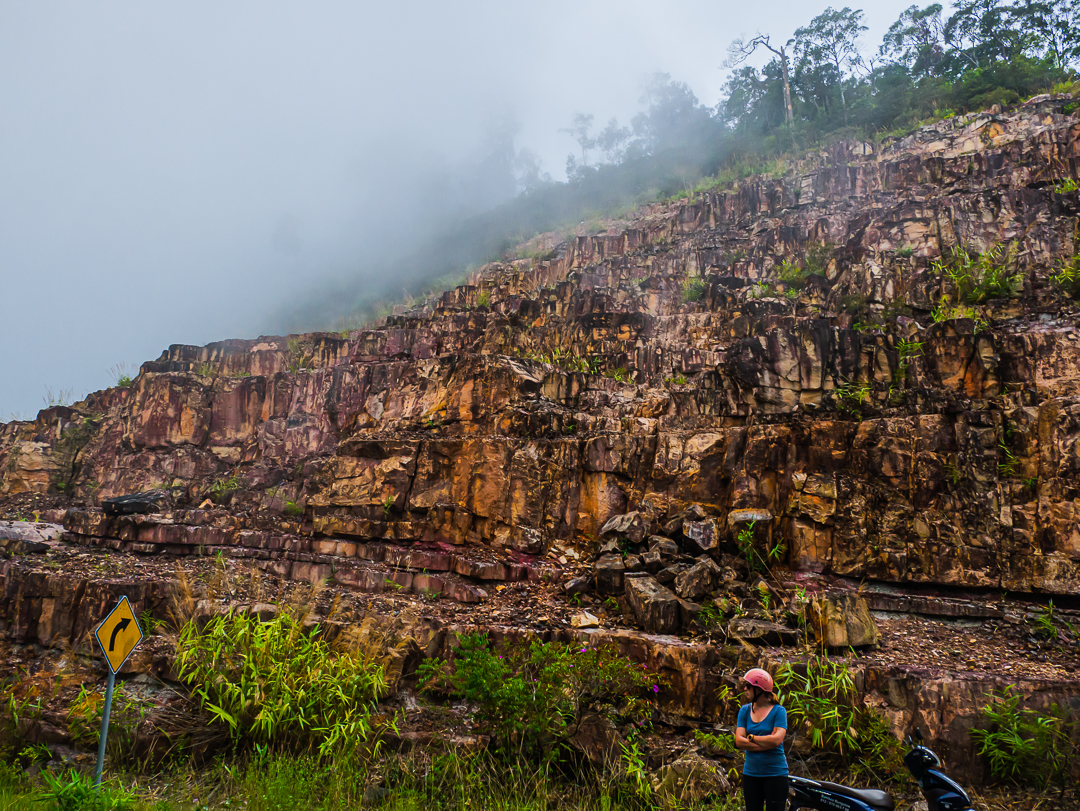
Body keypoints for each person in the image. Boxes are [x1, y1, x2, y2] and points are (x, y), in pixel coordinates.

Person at [734, 667, 788, 811]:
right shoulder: (744, 711)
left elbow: (777, 740)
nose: (745, 689)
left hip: (775, 774)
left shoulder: (779, 711)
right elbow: (739, 741)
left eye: (749, 686)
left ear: (759, 689)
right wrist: (766, 743)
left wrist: (751, 738)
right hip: (751, 774)